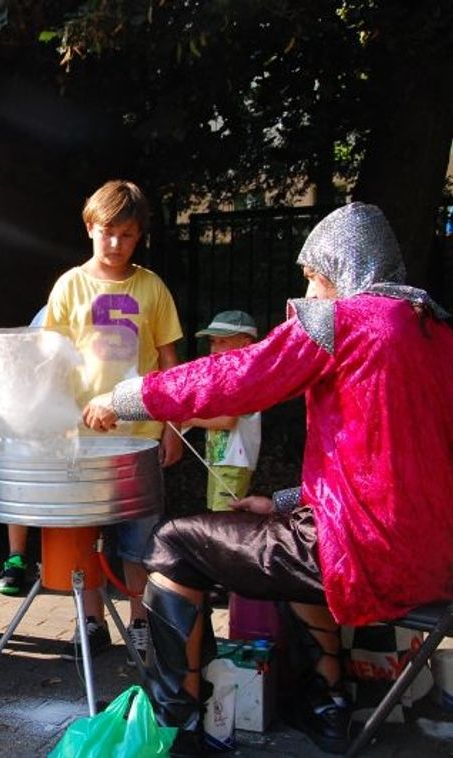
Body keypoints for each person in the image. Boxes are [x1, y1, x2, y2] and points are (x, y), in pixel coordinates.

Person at [82, 202, 453, 755]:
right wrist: (282, 499)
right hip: (435, 560)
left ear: (340, 268)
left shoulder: (346, 321)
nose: (308, 292)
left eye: (312, 278)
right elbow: (398, 462)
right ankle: (326, 707)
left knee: (174, 542)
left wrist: (126, 397)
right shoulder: (436, 333)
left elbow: (240, 375)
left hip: (364, 555)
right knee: (289, 534)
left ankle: (175, 724)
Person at [39, 179, 182, 663]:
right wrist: (56, 422)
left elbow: (168, 362)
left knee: (140, 542)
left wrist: (172, 427)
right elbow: (50, 360)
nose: (116, 244)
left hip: (139, 436)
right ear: (89, 229)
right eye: (107, 232)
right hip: (82, 437)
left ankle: (141, 623)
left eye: (126, 234)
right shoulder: (69, 286)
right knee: (85, 536)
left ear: (139, 235)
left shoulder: (152, 287)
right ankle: (92, 623)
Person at [0, 305, 48, 596]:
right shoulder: (52, 309)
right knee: (19, 473)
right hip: (38, 409)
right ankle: (16, 558)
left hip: (85, 414)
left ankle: (62, 562)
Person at [186, 310, 260, 511]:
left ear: (245, 343)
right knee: (217, 517)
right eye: (212, 342)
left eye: (222, 342)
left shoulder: (242, 378)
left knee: (224, 522)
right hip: (222, 462)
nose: (214, 350)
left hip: (234, 463)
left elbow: (227, 421)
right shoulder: (231, 376)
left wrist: (190, 419)